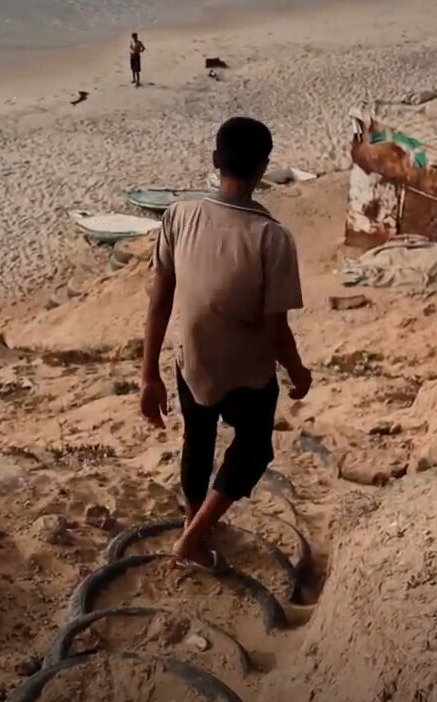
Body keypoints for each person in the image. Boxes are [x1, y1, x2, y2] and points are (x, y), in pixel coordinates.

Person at [140, 116, 309, 573]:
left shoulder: (179, 215)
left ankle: (193, 522)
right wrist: (299, 373)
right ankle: (193, 539)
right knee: (253, 448)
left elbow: (159, 304)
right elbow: (277, 331)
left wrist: (148, 375)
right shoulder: (272, 239)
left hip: (190, 360)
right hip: (247, 371)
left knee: (198, 439)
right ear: (263, 170)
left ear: (216, 162)